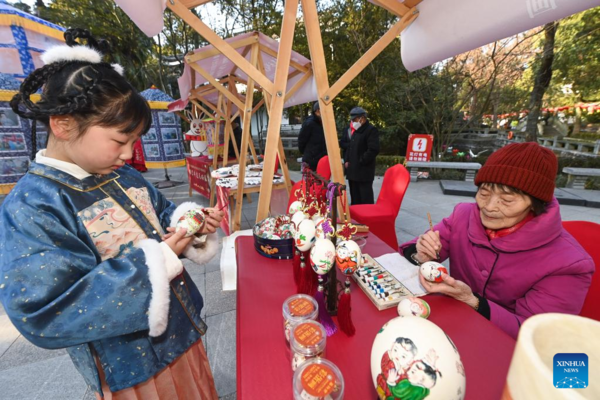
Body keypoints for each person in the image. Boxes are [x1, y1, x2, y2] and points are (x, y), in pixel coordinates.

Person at [0, 29, 224, 399]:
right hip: (131, 368)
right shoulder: (34, 205)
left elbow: (164, 214)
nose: (129, 153)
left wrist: (191, 225)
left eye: (133, 141)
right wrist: (159, 257)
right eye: (121, 141)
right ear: (64, 124)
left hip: (181, 333)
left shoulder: (123, 175)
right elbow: (44, 310)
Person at [399, 142, 595, 339]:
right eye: (484, 193)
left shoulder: (569, 264)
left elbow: (540, 334)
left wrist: (473, 301)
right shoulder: (464, 215)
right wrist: (420, 254)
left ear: (535, 204)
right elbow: (410, 251)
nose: (489, 207)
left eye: (507, 200)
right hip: (454, 328)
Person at [340, 106, 380, 205]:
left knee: (365, 197)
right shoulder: (356, 131)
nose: (353, 122)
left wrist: (361, 160)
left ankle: (367, 219)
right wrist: (348, 160)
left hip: (364, 171)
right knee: (355, 197)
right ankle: (356, 217)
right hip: (353, 170)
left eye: (355, 119)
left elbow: (373, 149)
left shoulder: (371, 130)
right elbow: (350, 148)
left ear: (362, 118)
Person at [298, 101, 327, 171]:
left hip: (322, 158)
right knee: (310, 181)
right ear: (317, 111)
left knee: (322, 181)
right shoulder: (309, 123)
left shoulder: (324, 123)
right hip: (311, 159)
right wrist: (308, 153)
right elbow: (301, 140)